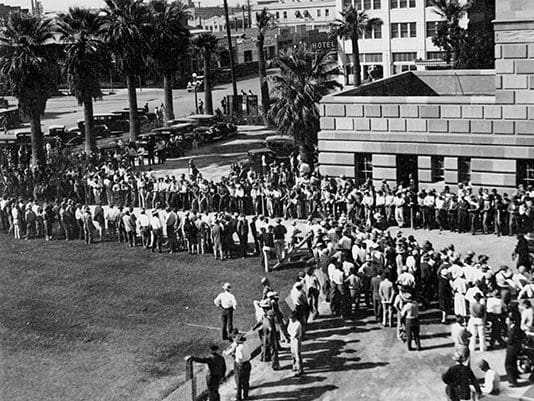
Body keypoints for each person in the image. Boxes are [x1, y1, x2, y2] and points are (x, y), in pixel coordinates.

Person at [233, 334, 251, 401]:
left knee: (239, 382)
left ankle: (238, 397)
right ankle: (246, 396)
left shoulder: (239, 348)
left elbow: (240, 358)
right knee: (246, 382)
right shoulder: (246, 345)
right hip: (247, 363)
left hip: (241, 366)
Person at [287, 312, 304, 376]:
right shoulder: (291, 321)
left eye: (291, 318)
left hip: (296, 340)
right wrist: (290, 334)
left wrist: (290, 334)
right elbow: (288, 329)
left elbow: (294, 334)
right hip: (292, 339)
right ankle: (294, 366)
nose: (290, 320)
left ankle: (300, 370)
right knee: (293, 354)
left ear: (295, 317)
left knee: (297, 354)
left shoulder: (298, 324)